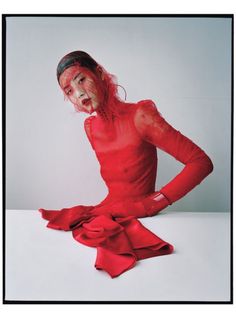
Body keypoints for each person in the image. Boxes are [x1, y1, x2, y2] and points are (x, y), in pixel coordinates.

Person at [39, 51, 214, 278]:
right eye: (69, 90)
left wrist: (151, 204)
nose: (79, 92)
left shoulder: (140, 115)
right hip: (109, 211)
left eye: (81, 79)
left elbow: (201, 162)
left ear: (100, 74)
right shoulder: (90, 127)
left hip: (140, 214)